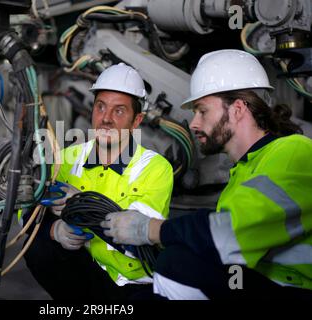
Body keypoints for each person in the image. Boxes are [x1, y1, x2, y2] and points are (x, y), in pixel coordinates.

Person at [101, 49, 312, 299]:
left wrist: (150, 229)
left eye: (202, 110)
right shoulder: (242, 172)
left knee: (177, 262)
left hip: (294, 290)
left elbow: (230, 234)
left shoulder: (294, 150)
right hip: (254, 283)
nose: (193, 124)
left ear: (238, 109)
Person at [22, 63, 174, 300]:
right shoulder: (68, 158)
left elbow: (136, 240)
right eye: (100, 107)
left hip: (132, 283)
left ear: (137, 120)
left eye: (119, 111)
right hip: (84, 272)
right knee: (37, 243)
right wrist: (55, 230)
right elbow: (30, 214)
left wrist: (81, 204)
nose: (106, 119)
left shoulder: (155, 168)